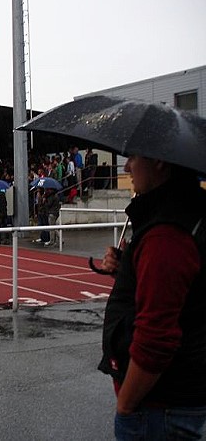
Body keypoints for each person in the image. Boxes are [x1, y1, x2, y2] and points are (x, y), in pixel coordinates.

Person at [97, 155, 206, 440]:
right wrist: (128, 271)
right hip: (181, 395)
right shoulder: (186, 213)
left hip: (162, 407)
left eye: (134, 157)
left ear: (160, 163)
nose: (127, 167)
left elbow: (156, 339)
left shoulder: (167, 234)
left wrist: (126, 405)